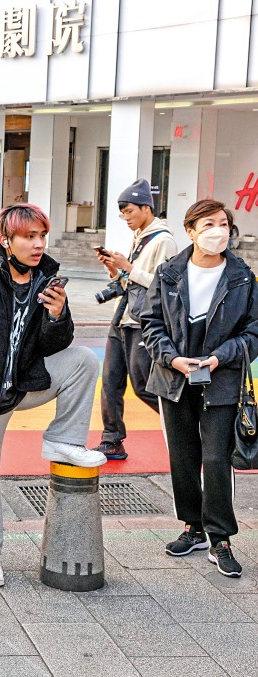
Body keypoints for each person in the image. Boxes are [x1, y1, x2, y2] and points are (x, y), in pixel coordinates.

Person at [0, 203, 105, 588]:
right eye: (29, 237)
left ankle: (64, 441)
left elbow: (54, 346)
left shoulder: (46, 280)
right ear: (6, 240)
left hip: (25, 384)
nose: (38, 244)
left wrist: (57, 316)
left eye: (41, 236)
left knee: (83, 360)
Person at [141, 199, 258, 578]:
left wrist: (221, 356)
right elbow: (150, 323)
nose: (218, 231)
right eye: (209, 224)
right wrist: (172, 359)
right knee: (183, 456)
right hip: (175, 380)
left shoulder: (242, 276)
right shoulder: (169, 272)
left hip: (221, 380)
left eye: (224, 223)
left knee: (217, 459)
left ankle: (220, 537)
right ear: (190, 231)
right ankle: (193, 527)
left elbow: (254, 332)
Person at [94, 179, 178, 460]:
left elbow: (166, 285)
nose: (126, 218)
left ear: (146, 207)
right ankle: (112, 439)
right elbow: (132, 281)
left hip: (143, 322)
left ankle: (186, 425)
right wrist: (115, 270)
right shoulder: (140, 236)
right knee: (109, 382)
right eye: (122, 213)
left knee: (143, 385)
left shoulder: (164, 240)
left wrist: (128, 267)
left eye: (128, 211)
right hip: (123, 317)